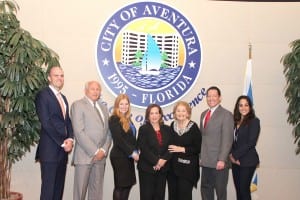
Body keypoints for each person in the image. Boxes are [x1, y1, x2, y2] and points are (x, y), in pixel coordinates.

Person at [35, 66, 74, 200]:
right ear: (49, 78)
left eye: (62, 76)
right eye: (56, 75)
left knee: (58, 191)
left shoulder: (63, 97)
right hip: (50, 151)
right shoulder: (43, 95)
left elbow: (67, 121)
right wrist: (62, 143)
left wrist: (70, 139)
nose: (59, 78)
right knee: (48, 191)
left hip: (62, 152)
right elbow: (46, 123)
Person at [70, 81, 112, 200]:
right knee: (80, 193)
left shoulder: (103, 107)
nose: (95, 91)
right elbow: (79, 132)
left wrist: (103, 150)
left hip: (100, 158)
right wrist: (95, 151)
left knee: (96, 193)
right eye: (92, 89)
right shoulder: (77, 105)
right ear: (86, 91)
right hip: (84, 156)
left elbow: (108, 133)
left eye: (98, 89)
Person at [200, 86, 234, 200]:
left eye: (214, 96)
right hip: (206, 161)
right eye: (208, 96)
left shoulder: (226, 115)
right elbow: (203, 138)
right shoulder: (203, 114)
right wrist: (200, 156)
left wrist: (222, 159)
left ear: (220, 98)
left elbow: (227, 139)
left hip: (219, 162)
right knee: (205, 190)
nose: (211, 98)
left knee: (220, 191)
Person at [168, 101, 202, 200]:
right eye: (178, 111)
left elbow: (198, 147)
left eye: (183, 111)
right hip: (173, 169)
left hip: (187, 170)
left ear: (188, 113)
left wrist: (182, 149)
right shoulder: (172, 125)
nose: (181, 113)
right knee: (173, 196)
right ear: (175, 113)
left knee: (184, 196)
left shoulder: (193, 127)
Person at [137, 104, 172, 200]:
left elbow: (171, 147)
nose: (154, 115)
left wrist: (163, 160)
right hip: (147, 169)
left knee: (160, 196)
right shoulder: (143, 129)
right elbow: (143, 148)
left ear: (160, 115)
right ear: (148, 115)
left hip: (163, 169)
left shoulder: (167, 129)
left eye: (156, 113)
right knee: (147, 196)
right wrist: (156, 161)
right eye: (151, 113)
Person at [229, 95, 260, 200]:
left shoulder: (254, 121)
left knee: (244, 190)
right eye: (241, 105)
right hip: (235, 161)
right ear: (237, 107)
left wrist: (235, 155)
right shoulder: (234, 121)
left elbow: (251, 143)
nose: (243, 108)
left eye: (246, 105)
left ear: (250, 107)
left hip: (248, 161)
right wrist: (232, 156)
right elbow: (231, 141)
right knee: (239, 190)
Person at [109, 94, 139, 200]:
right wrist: (133, 153)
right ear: (117, 105)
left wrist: (137, 151)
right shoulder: (114, 119)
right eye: (121, 104)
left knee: (127, 185)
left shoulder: (127, 119)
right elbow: (119, 140)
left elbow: (131, 139)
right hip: (119, 157)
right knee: (120, 187)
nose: (124, 106)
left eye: (126, 104)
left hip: (128, 157)